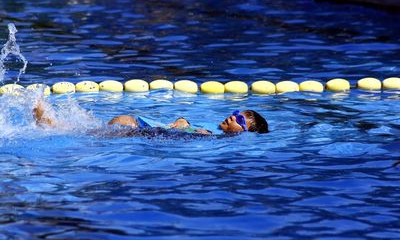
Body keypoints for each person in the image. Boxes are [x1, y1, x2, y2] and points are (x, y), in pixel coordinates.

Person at [33, 100, 269, 136]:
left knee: (95, 134)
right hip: (148, 126)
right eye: (236, 112)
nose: (233, 116)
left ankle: (52, 125)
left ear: (242, 132)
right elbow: (186, 122)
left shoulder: (218, 138)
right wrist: (182, 120)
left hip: (147, 133)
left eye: (239, 119)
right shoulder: (213, 128)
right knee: (97, 131)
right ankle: (52, 125)